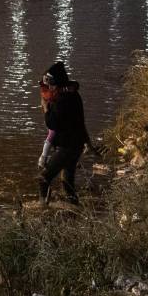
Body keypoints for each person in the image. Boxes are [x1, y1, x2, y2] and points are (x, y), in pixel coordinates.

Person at [38, 61, 101, 206]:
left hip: (68, 147)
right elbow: (80, 122)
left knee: (44, 178)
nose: (48, 87)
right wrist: (88, 143)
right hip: (75, 144)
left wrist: (45, 107)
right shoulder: (73, 95)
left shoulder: (60, 101)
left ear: (56, 83)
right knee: (67, 181)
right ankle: (75, 209)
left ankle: (42, 208)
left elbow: (52, 124)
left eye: (50, 84)